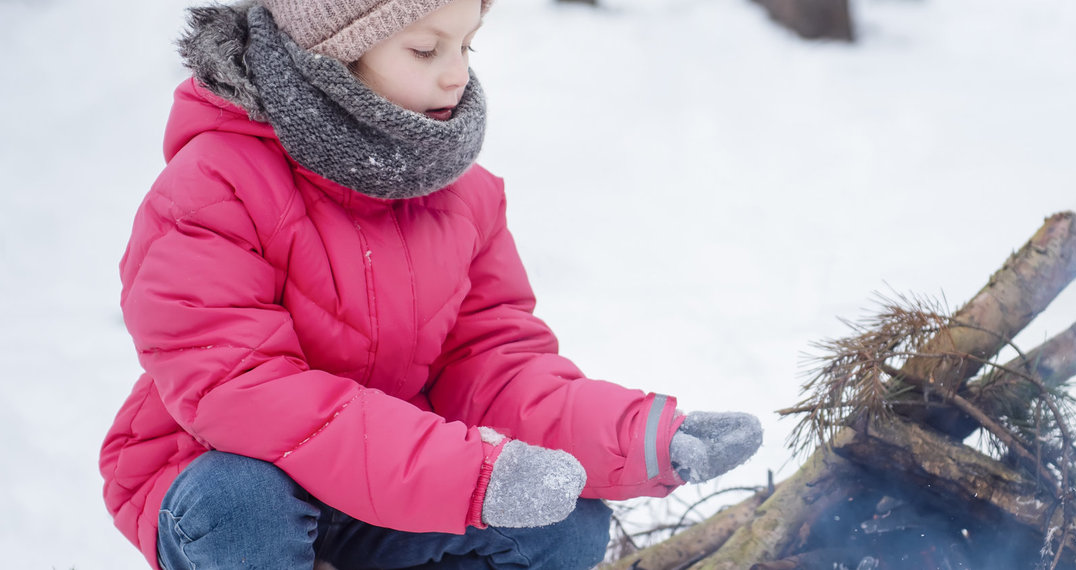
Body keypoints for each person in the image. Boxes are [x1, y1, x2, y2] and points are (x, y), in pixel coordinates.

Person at [98, 0, 763, 568]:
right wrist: (467, 475)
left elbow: (490, 364)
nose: (458, 73)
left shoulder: (462, 197)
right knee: (243, 499)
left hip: (391, 484)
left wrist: (638, 437)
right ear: (332, 52)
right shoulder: (214, 186)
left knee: (563, 524)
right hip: (228, 479)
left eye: (467, 44)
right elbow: (241, 389)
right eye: (424, 49)